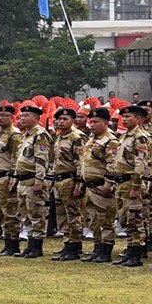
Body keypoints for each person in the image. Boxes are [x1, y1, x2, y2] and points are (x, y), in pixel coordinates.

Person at [78, 107, 120, 263]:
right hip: (90, 186)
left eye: (96, 122)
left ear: (105, 123)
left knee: (105, 219)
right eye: (91, 121)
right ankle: (98, 247)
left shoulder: (110, 140)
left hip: (102, 186)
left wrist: (109, 185)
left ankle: (106, 250)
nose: (92, 125)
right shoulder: (92, 139)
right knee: (93, 220)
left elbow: (112, 164)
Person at [11, 105, 53, 258]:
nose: (22, 118)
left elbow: (41, 160)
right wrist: (15, 179)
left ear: (35, 118)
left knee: (36, 213)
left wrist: (39, 181)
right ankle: (30, 243)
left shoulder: (40, 135)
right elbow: (20, 160)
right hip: (23, 180)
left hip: (33, 179)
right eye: (21, 116)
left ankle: (37, 246)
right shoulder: (25, 135)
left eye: (26, 116)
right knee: (25, 214)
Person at [112, 105, 150, 266]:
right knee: (125, 219)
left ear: (139, 119)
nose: (125, 119)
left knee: (135, 219)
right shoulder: (124, 137)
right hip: (121, 182)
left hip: (131, 182)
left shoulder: (140, 137)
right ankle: (130, 248)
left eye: (129, 117)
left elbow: (140, 163)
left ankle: (137, 252)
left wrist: (135, 186)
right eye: (124, 117)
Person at [49, 107, 86, 261]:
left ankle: (75, 245)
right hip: (58, 180)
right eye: (59, 119)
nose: (61, 121)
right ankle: (67, 242)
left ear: (73, 121)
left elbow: (80, 162)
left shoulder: (76, 138)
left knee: (73, 213)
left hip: (71, 180)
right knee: (61, 214)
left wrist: (79, 183)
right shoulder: (58, 138)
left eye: (65, 119)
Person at [0, 105, 23, 256]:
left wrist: (13, 178)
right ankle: (7, 241)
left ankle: (13, 243)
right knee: (0, 212)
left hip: (6, 177)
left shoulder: (13, 135)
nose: (0, 118)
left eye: (4, 115)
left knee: (10, 212)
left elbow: (16, 158)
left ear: (12, 117)